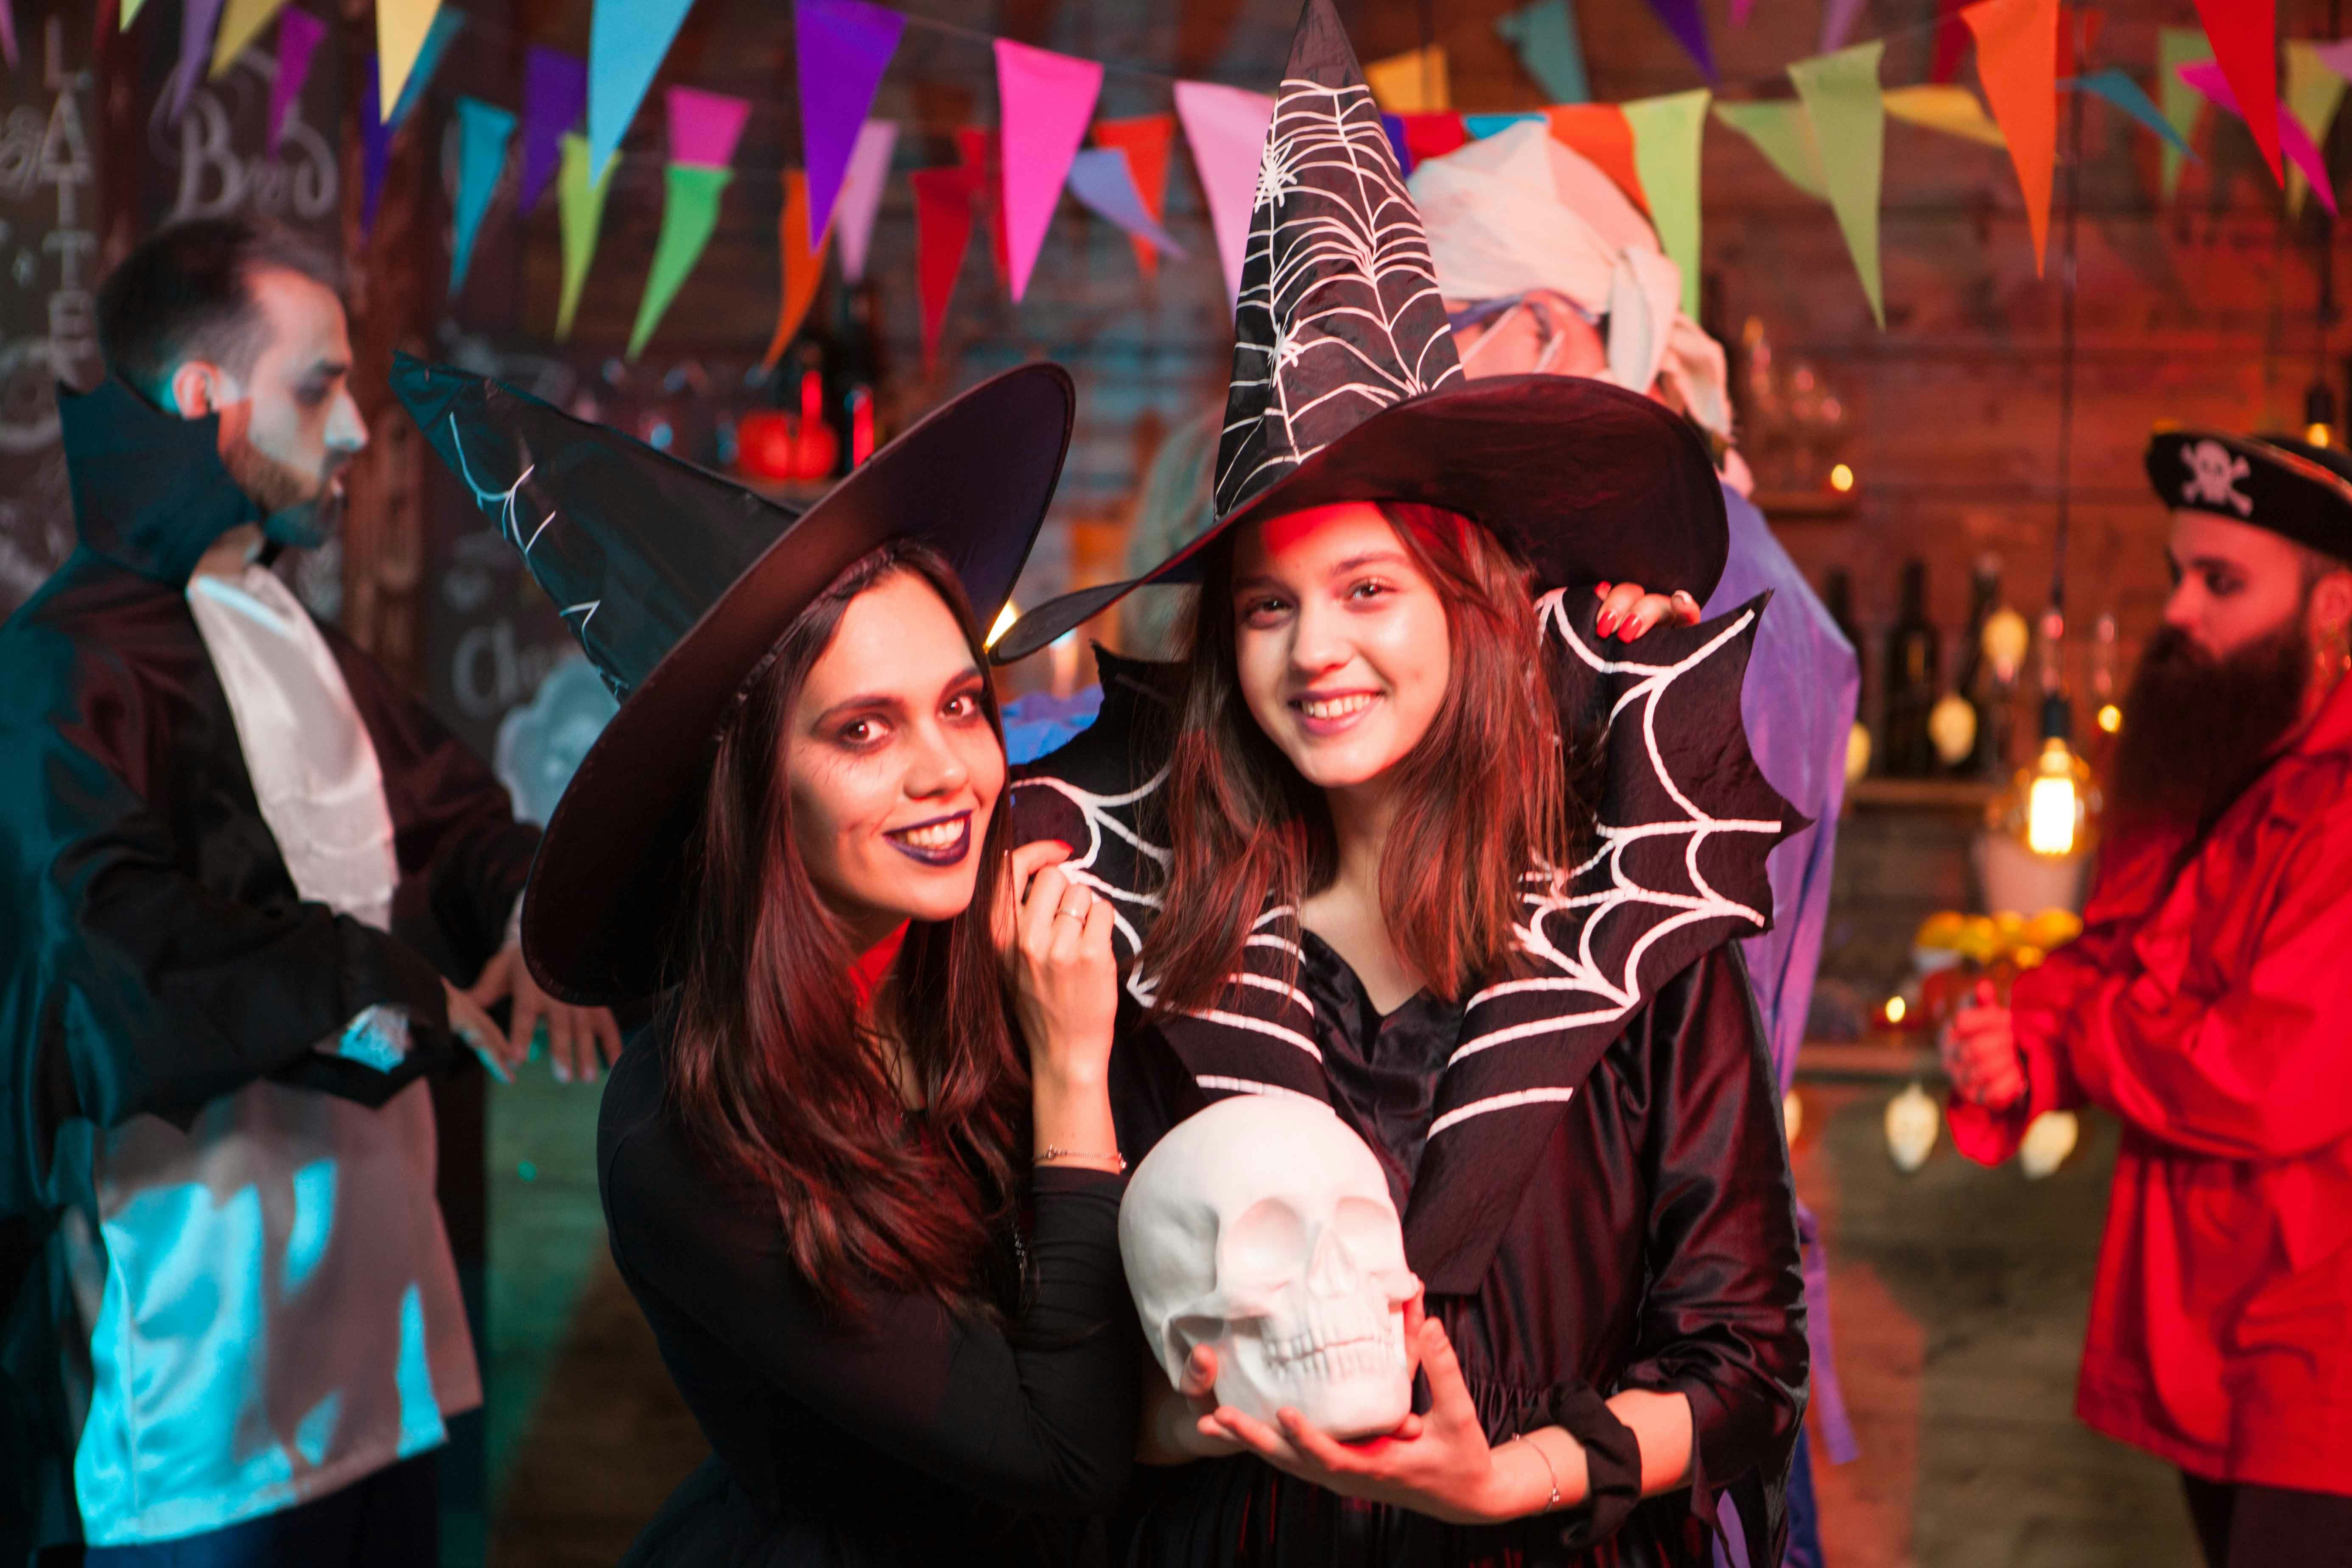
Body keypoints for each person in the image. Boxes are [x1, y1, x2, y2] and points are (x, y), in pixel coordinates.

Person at [996, 4, 1808, 1562]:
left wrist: (1510, 1477)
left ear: (1466, 602)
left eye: (1368, 589)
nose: (1315, 650)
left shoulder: (1628, 910)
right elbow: (1061, 1394)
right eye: (1265, 605)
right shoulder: (1139, 922)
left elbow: (1746, 1363)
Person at [393, 355, 1139, 1565]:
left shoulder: (982, 967)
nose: (948, 771)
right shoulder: (687, 1129)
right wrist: (1070, 1075)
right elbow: (1063, 1454)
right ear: (756, 787)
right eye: (864, 729)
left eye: (960, 705)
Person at [0, 217, 617, 1567]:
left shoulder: (295, 631)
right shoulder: (65, 667)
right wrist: (371, 975)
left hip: (389, 1351)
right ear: (203, 397)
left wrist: (533, 908)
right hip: (195, 1401)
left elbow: (460, 824)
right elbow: (112, 960)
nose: (353, 432)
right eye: (318, 386)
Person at [1409, 119, 1865, 1561]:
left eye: (1434, 328)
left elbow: (1672, 970)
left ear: (1553, 324)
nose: (1407, 375)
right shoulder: (1639, 537)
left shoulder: (1690, 576)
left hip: (1661, 1278)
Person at [1942, 428, 2352, 1568]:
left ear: (2332, 607)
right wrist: (2018, 1041)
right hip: (2207, 1333)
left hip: (2320, 1361)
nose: (2178, 609)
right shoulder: (2205, 755)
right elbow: (2121, 958)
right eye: (2178, 573)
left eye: (2221, 582)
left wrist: (2070, 1034)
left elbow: (2270, 1072)